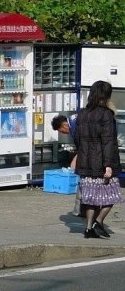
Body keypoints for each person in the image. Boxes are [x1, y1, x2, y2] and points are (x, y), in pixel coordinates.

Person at [74, 80, 122, 238]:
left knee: (90, 198)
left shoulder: (82, 114)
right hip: (102, 163)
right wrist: (108, 165)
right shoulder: (106, 114)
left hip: (86, 162)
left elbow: (77, 139)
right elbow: (108, 141)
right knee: (112, 194)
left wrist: (83, 154)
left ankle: (88, 228)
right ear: (106, 96)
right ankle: (98, 221)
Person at [51, 113, 82, 217]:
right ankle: (80, 210)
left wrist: (75, 159)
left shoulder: (75, 127)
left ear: (64, 125)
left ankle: (81, 210)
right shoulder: (74, 120)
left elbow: (83, 145)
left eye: (61, 131)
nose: (63, 133)